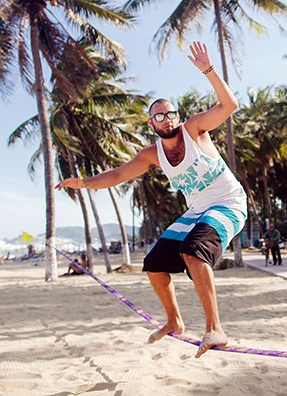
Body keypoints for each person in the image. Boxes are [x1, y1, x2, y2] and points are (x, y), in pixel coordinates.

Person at [56, 41, 246, 359]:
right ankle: (174, 321)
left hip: (228, 202)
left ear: (177, 116)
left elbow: (229, 107)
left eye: (170, 113)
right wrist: (83, 183)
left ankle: (215, 328)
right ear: (151, 124)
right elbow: (117, 176)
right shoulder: (152, 154)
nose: (167, 119)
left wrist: (209, 71)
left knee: (193, 251)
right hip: (197, 210)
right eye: (159, 116)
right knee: (154, 264)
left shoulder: (195, 129)